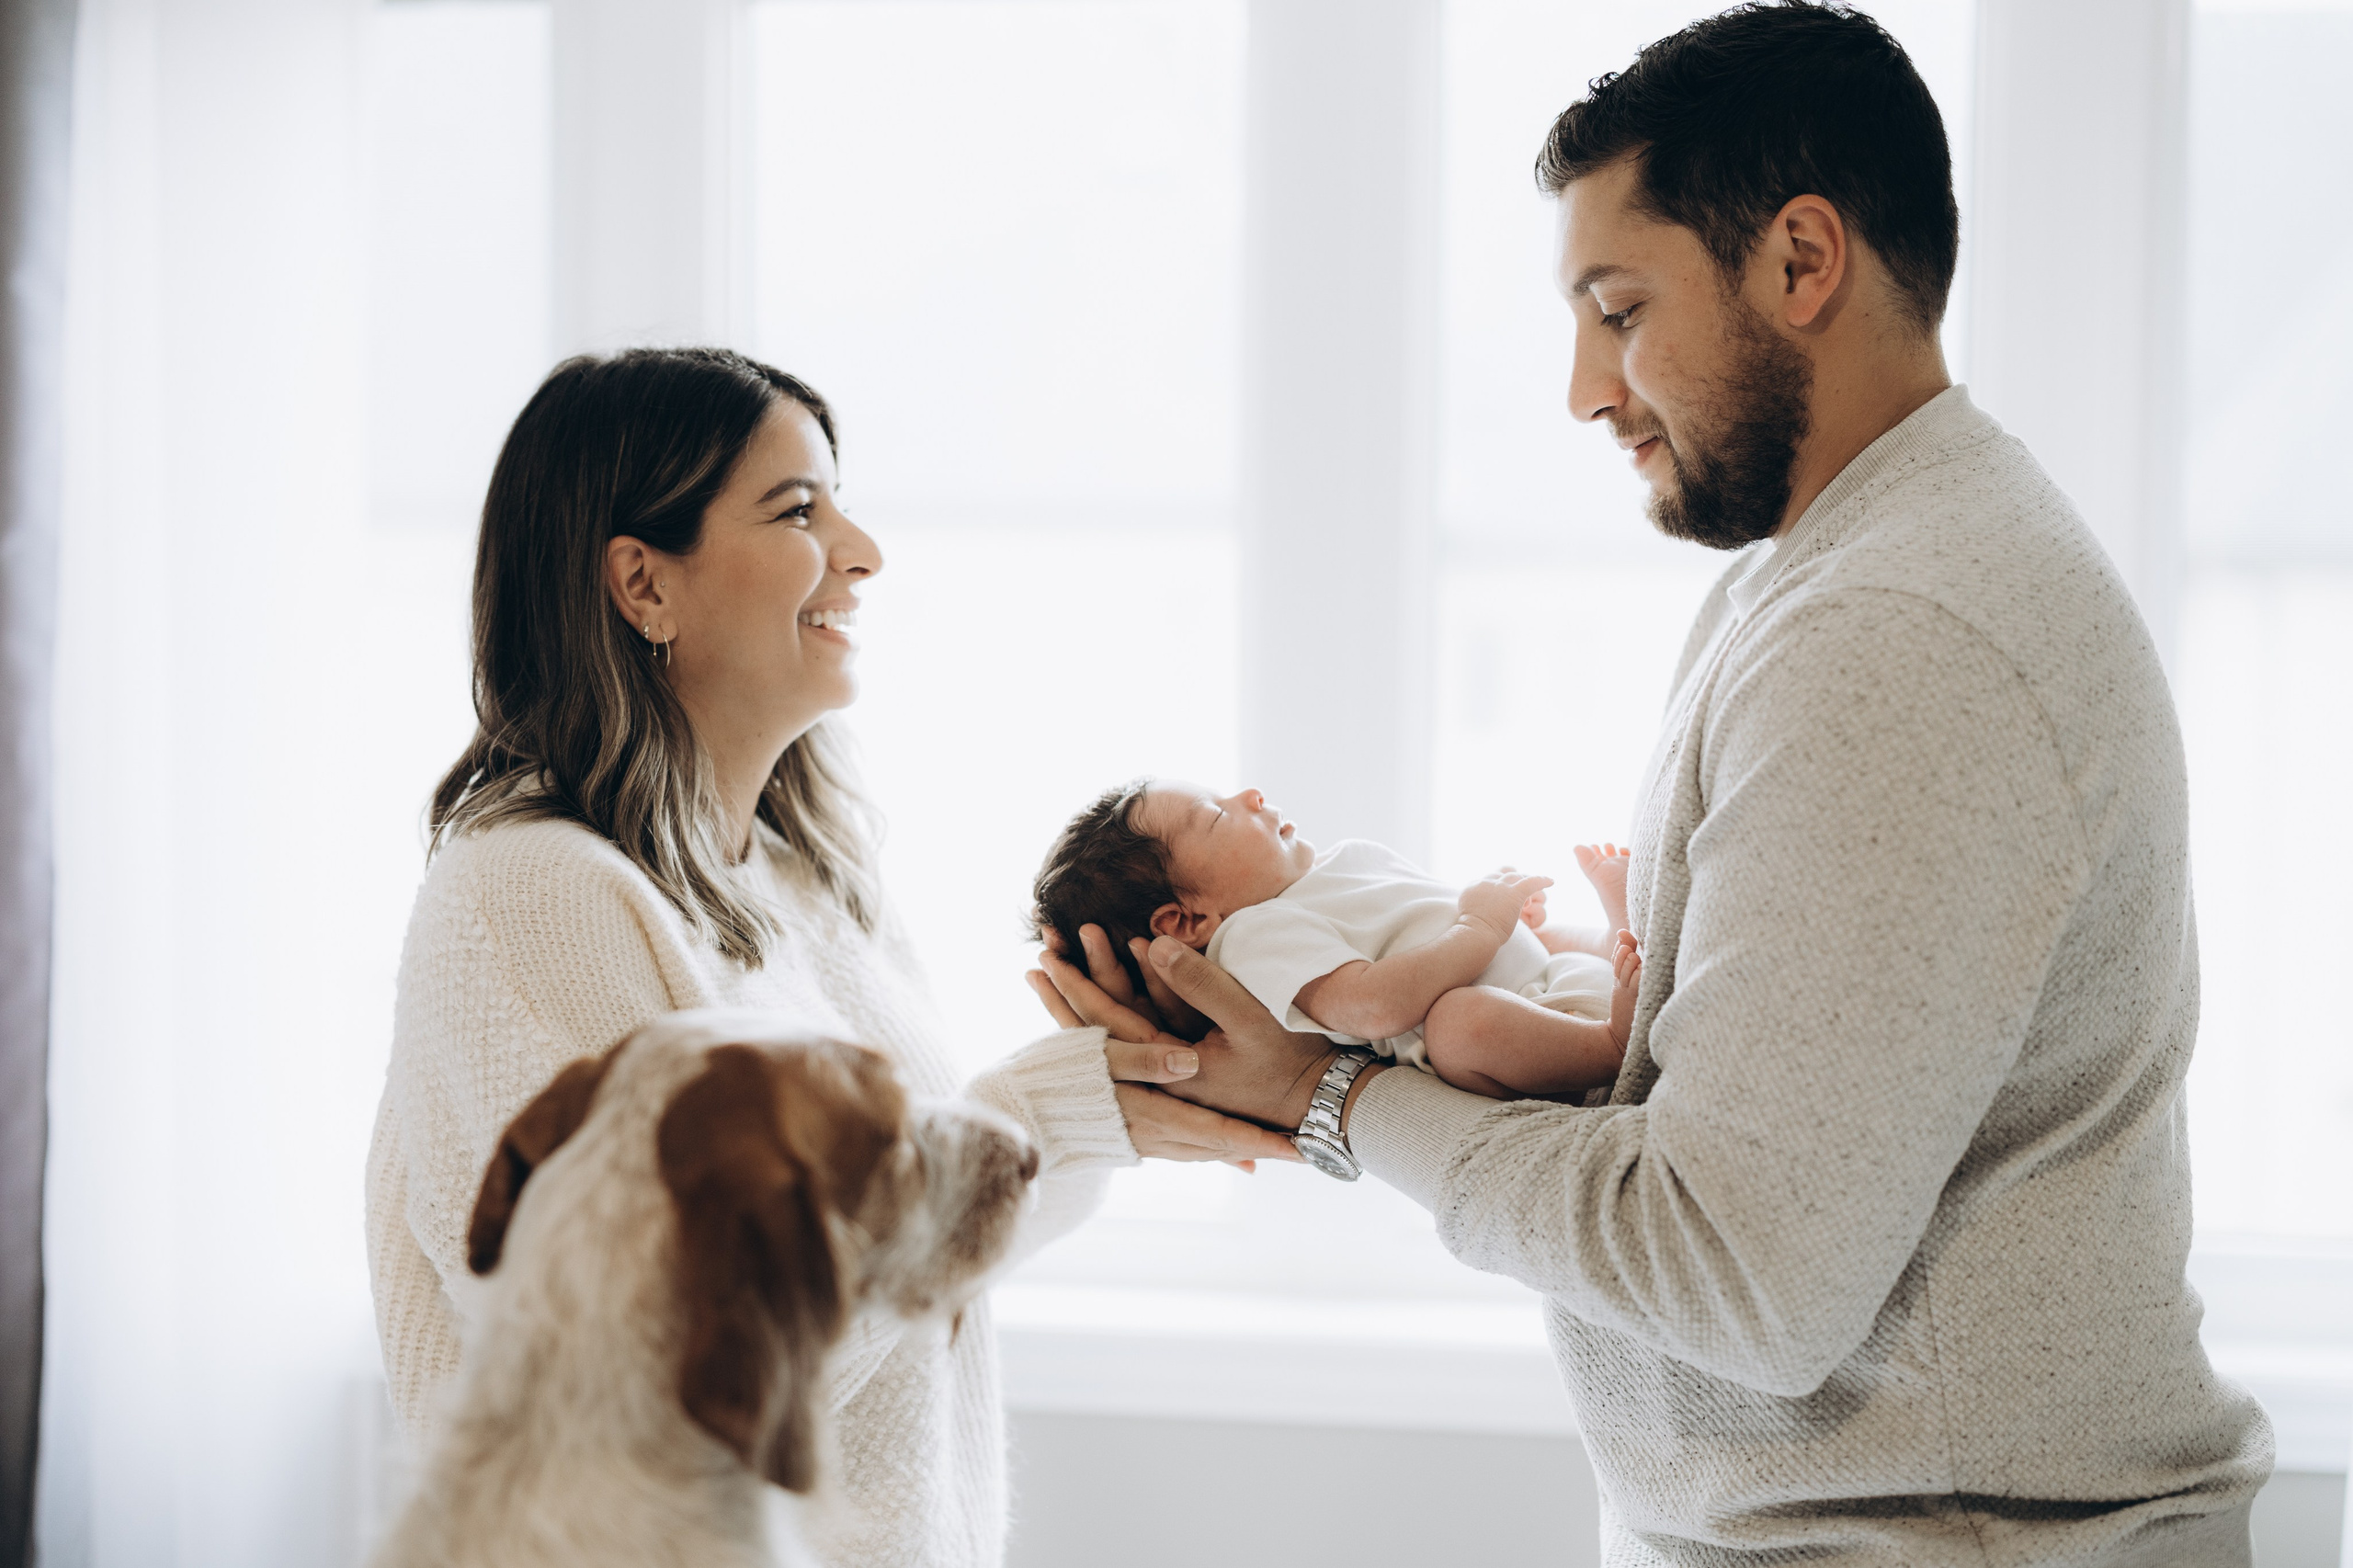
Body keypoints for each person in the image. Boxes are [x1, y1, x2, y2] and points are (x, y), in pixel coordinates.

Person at [1036, 6, 2274, 1563]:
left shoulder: (1899, 632)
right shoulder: (1838, 575)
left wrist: (1337, 1099)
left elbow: (1737, 1277)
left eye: (1618, 310)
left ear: (1801, 263)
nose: (1582, 388)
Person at [363, 347, 1290, 1567]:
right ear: (643, 584)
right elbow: (674, 1371)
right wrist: (1032, 1117)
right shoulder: (533, 895)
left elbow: (907, 1268)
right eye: (798, 508)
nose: (862, 551)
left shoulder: (806, 872)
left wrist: (1104, 1094)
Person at [1029, 778, 1642, 1098]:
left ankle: (1625, 945)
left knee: (1557, 938)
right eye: (1216, 815)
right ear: (1188, 921)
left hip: (1537, 984)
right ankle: (1613, 1043)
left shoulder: (1345, 860)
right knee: (1459, 1023)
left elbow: (1419, 922)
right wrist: (1481, 925)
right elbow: (1372, 1005)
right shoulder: (1252, 937)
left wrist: (1509, 917)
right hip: (1508, 1047)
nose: (1249, 795)